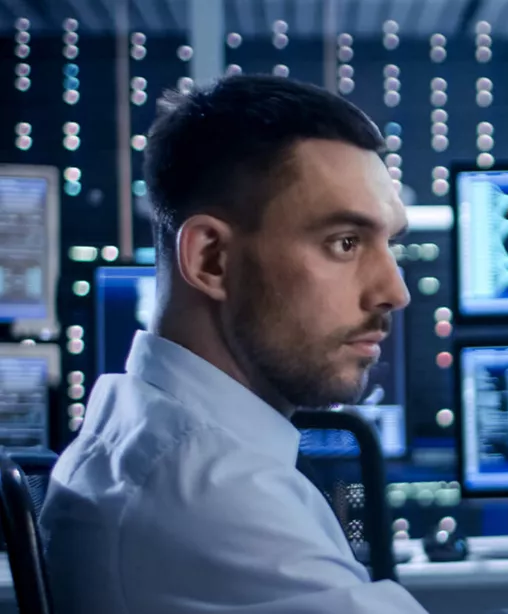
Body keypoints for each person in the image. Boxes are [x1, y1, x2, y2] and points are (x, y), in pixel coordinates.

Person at [40, 75, 427, 613]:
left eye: (390, 245)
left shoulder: (138, 428)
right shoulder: (212, 490)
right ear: (210, 260)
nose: (395, 292)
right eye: (345, 243)